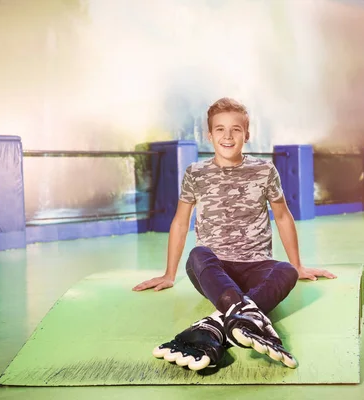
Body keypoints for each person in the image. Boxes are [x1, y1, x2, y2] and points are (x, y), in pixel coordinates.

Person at [132, 97, 336, 371]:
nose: (227, 136)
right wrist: (169, 274)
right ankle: (246, 314)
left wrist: (298, 265)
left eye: (235, 129)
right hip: (213, 270)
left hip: (257, 265)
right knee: (198, 254)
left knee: (285, 271)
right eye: (220, 129)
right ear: (210, 135)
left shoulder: (264, 170)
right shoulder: (196, 173)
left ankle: (216, 325)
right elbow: (181, 222)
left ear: (247, 134)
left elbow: (283, 216)